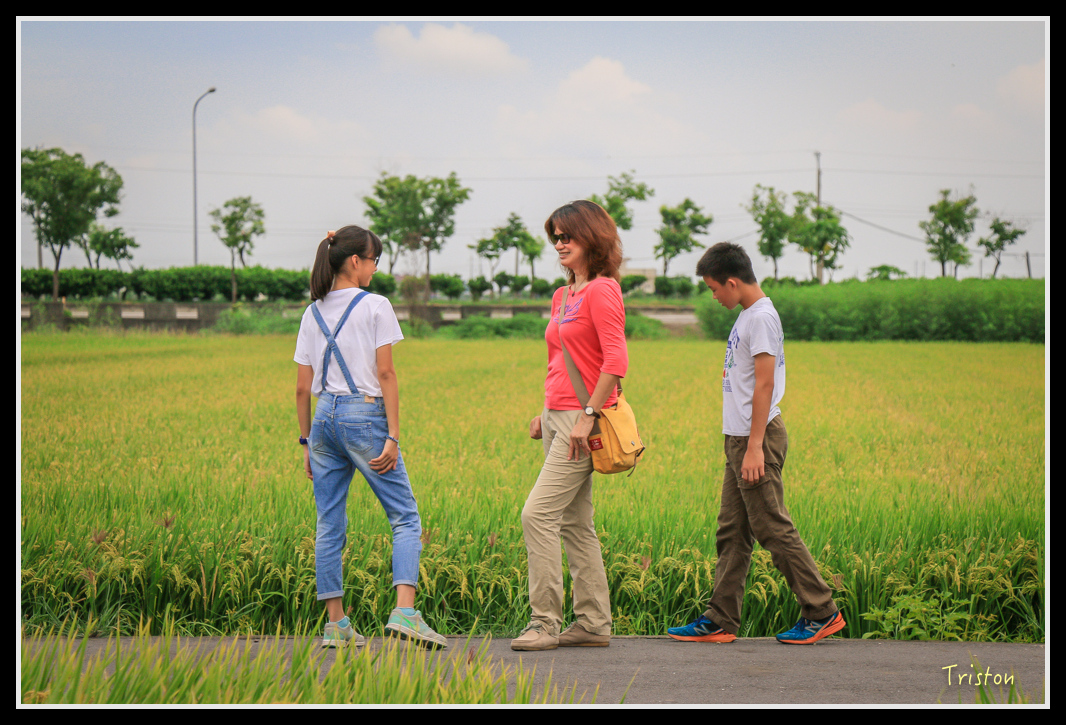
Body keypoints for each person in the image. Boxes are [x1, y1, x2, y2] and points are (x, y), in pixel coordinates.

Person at [668, 242, 845, 645]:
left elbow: (764, 384)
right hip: (740, 438)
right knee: (732, 531)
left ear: (732, 282)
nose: (714, 297)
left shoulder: (761, 318)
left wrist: (754, 446)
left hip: (755, 438)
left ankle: (822, 612)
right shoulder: (748, 316)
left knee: (772, 527)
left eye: (714, 289)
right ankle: (721, 619)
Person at [294, 225, 447, 650]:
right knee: (404, 516)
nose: (376, 269)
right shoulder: (376, 306)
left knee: (329, 523)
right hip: (365, 417)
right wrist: (393, 435)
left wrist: (306, 443)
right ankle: (404, 613)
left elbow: (302, 389)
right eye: (374, 260)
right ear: (356, 262)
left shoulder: (312, 312)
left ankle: (336, 626)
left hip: (323, 420)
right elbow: (386, 374)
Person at [511, 200, 628, 652]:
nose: (559, 243)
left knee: (537, 514)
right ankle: (594, 623)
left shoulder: (603, 290)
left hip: (585, 420)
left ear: (591, 239)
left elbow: (616, 362)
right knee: (576, 523)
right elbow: (559, 359)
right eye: (555, 236)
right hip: (558, 415)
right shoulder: (563, 296)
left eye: (568, 236)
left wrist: (587, 415)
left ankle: (544, 623)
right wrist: (546, 411)